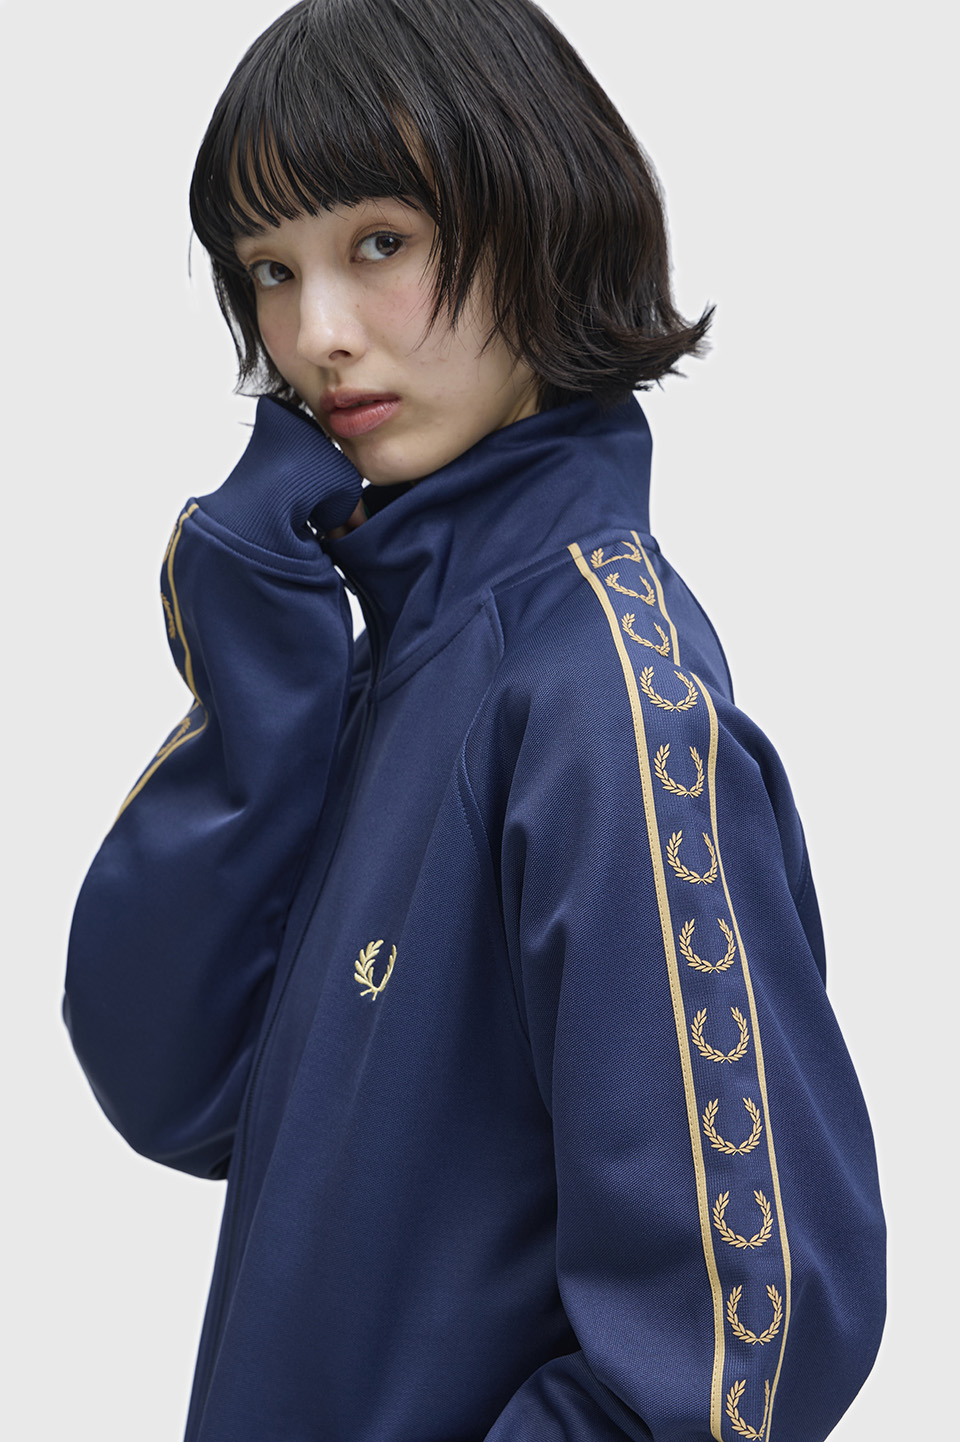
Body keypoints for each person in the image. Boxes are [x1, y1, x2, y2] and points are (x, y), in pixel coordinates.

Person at [62, 1, 886, 1438]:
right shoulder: (394, 667)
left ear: (541, 219)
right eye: (271, 270)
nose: (316, 335)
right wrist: (263, 664)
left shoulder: (602, 700)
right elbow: (171, 1080)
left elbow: (738, 1354)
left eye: (381, 243)